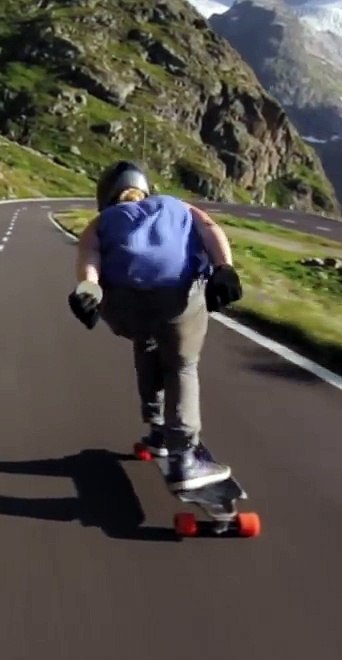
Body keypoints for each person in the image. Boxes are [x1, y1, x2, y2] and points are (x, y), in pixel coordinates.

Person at [67, 160, 244, 491]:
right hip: (177, 299)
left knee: (146, 342)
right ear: (146, 189)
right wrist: (224, 267)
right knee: (181, 365)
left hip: (123, 309)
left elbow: (88, 258)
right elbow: (209, 228)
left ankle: (158, 427)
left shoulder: (100, 222)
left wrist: (89, 291)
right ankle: (184, 458)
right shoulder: (175, 205)